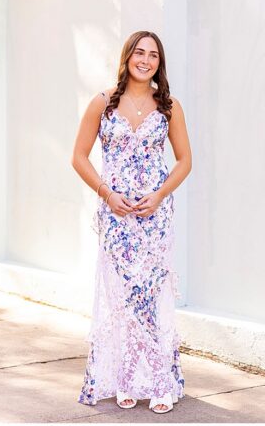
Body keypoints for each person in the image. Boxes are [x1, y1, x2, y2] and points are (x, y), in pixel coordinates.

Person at [71, 31, 192, 414]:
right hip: (117, 216)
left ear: (159, 63)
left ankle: (160, 381)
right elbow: (79, 157)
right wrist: (107, 194)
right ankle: (124, 377)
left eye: (153, 55)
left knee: (150, 296)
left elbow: (185, 161)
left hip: (155, 217)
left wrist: (159, 195)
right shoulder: (103, 103)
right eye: (139, 53)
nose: (145, 60)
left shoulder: (168, 106)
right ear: (126, 57)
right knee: (122, 296)